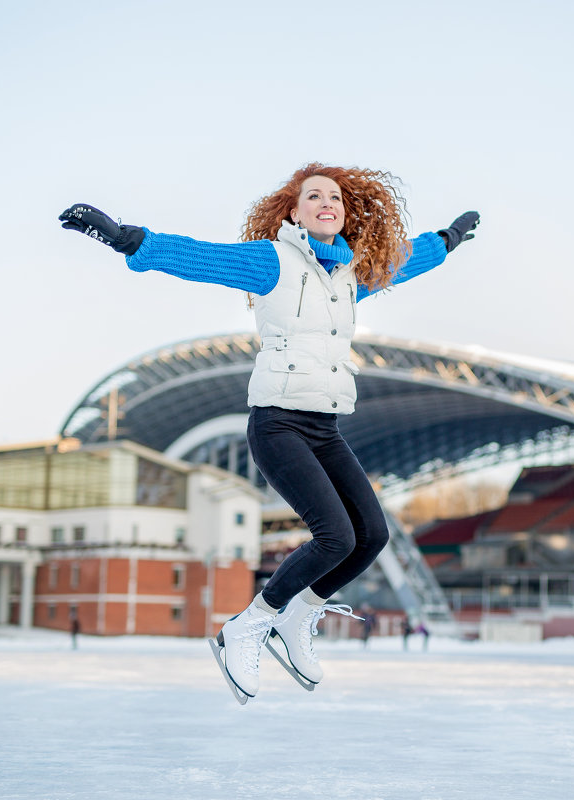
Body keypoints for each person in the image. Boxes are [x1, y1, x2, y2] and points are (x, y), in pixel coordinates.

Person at [59, 163, 479, 699]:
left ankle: (298, 615)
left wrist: (447, 240)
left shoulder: (353, 276)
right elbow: (201, 258)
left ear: (346, 212)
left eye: (335, 197)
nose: (327, 202)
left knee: (372, 535)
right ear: (295, 211)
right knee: (336, 537)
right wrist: (125, 239)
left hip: (324, 427)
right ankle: (248, 625)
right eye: (314, 196)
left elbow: (407, 261)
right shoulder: (273, 262)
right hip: (277, 423)